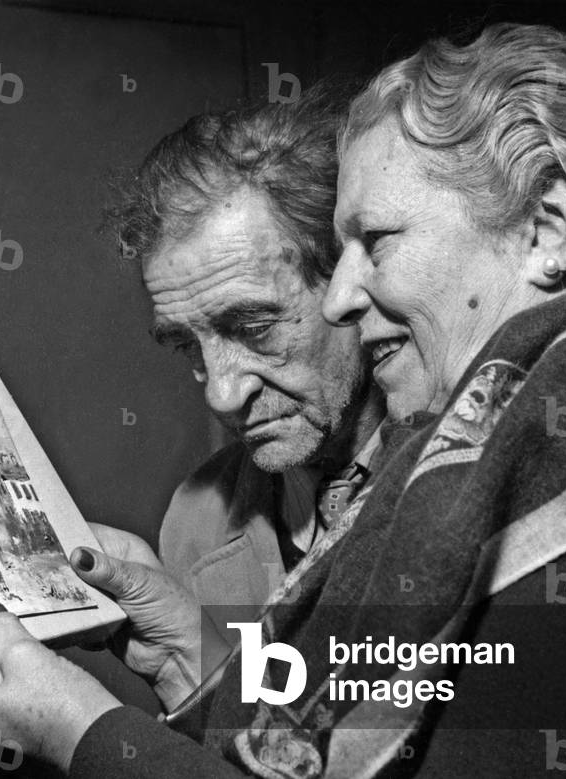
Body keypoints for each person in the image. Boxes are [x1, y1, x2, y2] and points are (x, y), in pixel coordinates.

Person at [0, 22, 566, 778]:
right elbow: (341, 717)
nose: (222, 390)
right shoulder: (499, 434)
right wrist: (189, 652)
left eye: (374, 243)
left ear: (547, 228)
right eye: (186, 347)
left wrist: (83, 732)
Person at [111, 88, 386, 621]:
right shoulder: (193, 522)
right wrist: (181, 662)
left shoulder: (473, 476)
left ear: (355, 281)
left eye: (255, 327)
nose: (221, 394)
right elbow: (254, 704)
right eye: (188, 344)